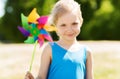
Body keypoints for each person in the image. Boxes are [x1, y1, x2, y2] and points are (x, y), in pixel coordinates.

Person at [25, 0, 94, 79]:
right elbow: (41, 77)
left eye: (74, 23)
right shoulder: (50, 49)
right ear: (56, 26)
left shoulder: (86, 52)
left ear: (81, 22)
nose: (69, 29)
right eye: (63, 25)